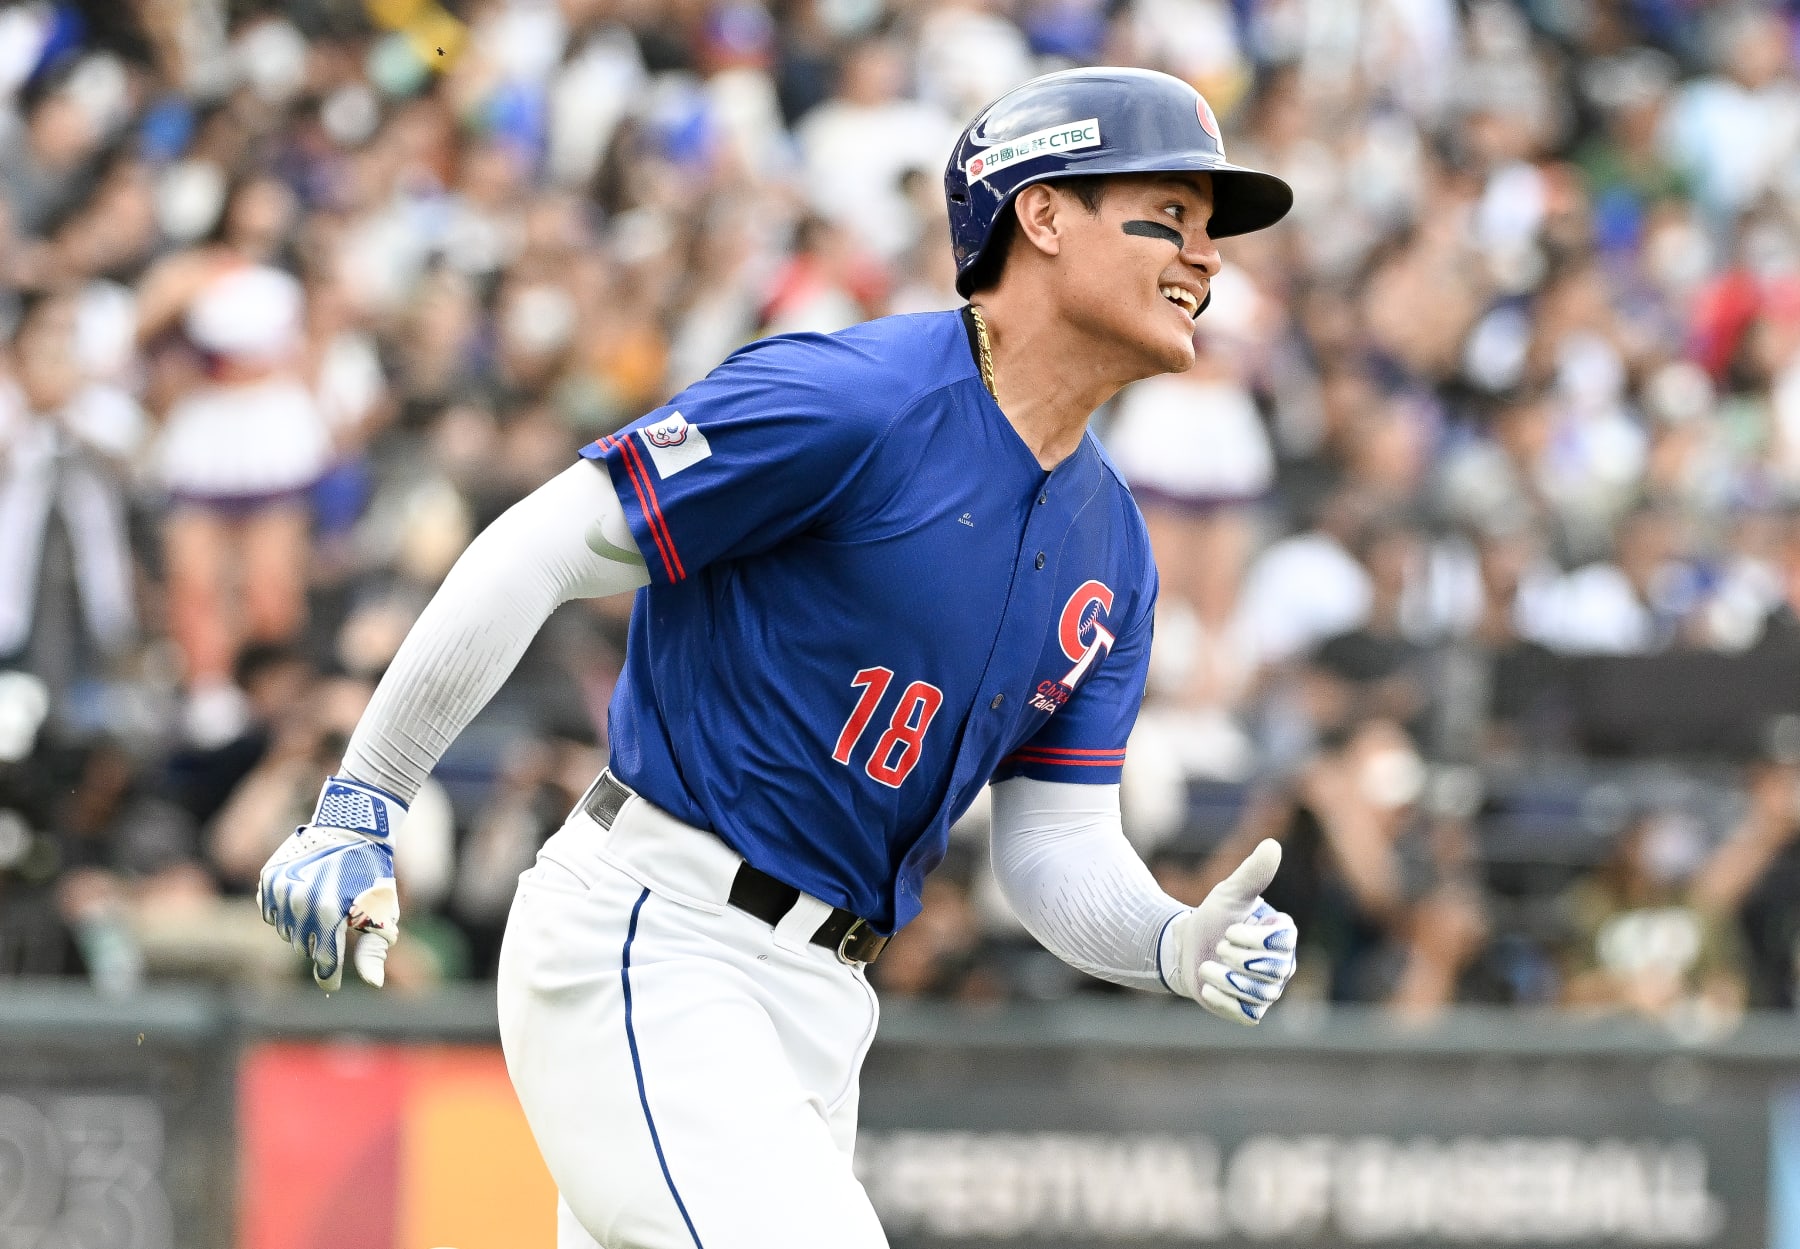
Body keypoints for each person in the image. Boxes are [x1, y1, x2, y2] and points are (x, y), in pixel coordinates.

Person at [258, 67, 1302, 1248]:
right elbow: (542, 542)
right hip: (658, 933)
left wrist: (1167, 939)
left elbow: (1057, 846)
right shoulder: (853, 399)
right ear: (1043, 215)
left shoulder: (1112, 545)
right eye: (1165, 214)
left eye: (1212, 230)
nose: (1205, 256)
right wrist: (364, 797)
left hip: (820, 1005)